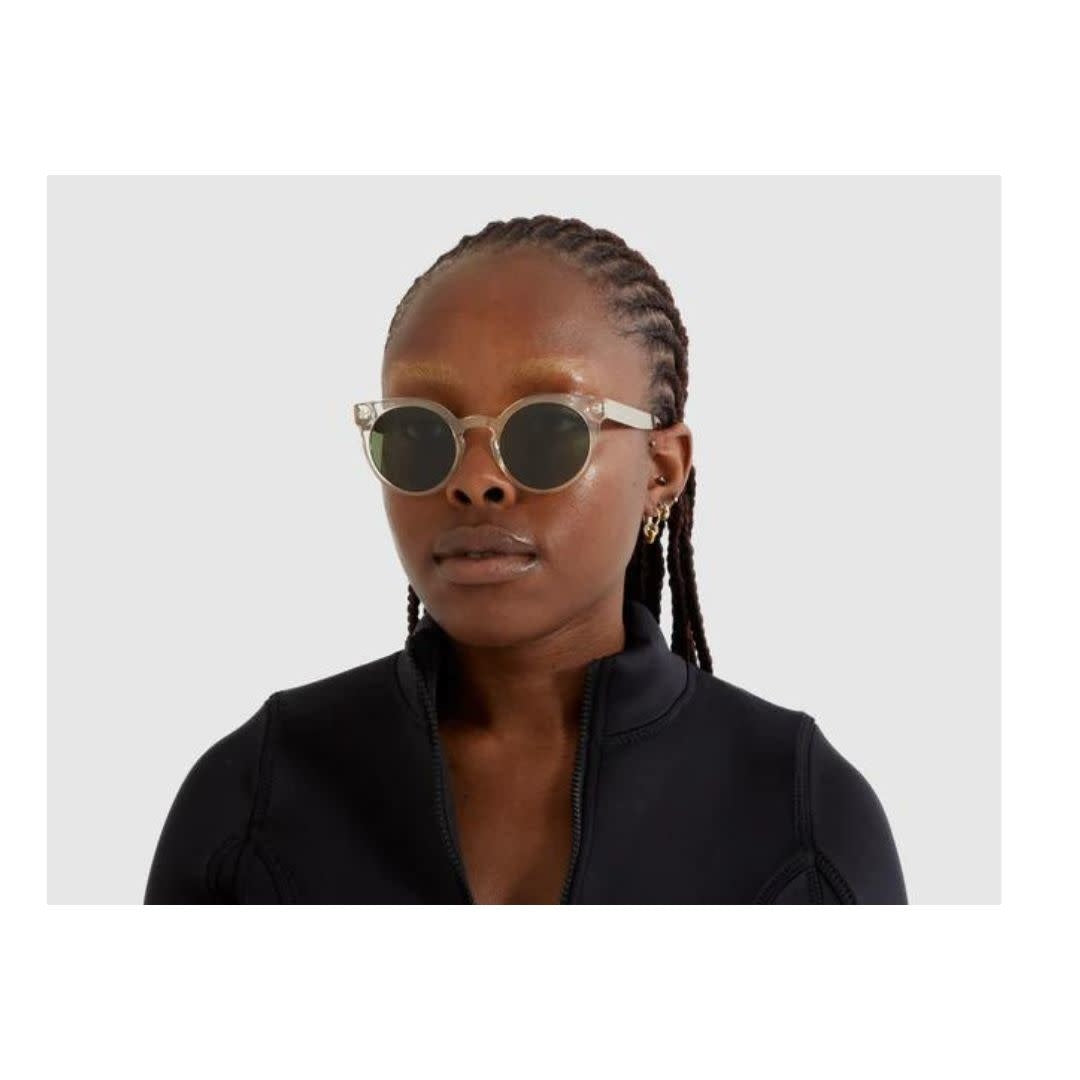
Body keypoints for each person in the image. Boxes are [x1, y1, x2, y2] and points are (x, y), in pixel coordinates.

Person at [144, 213, 908, 904]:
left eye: (548, 430)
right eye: (420, 433)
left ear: (661, 469)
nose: (475, 479)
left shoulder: (798, 814)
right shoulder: (257, 795)